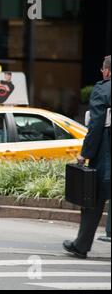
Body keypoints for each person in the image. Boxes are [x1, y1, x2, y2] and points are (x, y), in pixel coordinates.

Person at [63, 55, 111, 259]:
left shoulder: (103, 89)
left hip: (106, 157)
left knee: (93, 200)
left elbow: (96, 125)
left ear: (107, 71)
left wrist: (85, 154)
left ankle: (81, 245)